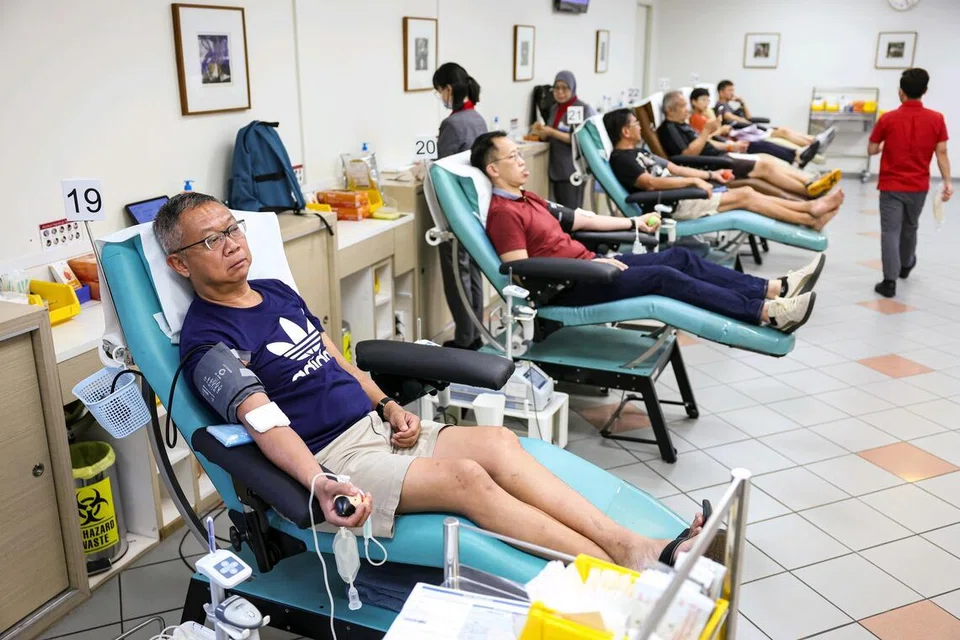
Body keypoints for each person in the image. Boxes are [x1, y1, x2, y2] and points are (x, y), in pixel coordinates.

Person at [155, 192, 716, 570]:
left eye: (232, 229)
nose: (232, 244)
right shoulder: (207, 342)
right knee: (468, 479)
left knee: (499, 442)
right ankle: (617, 571)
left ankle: (631, 545)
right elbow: (264, 422)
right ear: (180, 264)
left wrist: (387, 405)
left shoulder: (275, 291)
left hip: (374, 429)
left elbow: (337, 363)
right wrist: (320, 483)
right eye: (210, 240)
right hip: (332, 457)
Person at [473, 131, 824, 334]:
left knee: (680, 257)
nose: (521, 161)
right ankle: (766, 313)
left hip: (590, 267)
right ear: (493, 169)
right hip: (570, 285)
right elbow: (520, 271)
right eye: (513, 157)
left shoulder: (528, 197)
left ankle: (774, 288)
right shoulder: (503, 214)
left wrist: (634, 223)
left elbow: (580, 219)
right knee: (664, 277)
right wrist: (592, 267)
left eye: (520, 154)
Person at [605, 109, 842, 231]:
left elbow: (675, 167)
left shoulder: (640, 152)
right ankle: (808, 216)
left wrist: (710, 176)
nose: (641, 127)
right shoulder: (621, 159)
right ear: (625, 131)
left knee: (749, 191)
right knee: (747, 196)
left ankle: (809, 209)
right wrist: (692, 183)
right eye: (636, 124)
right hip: (672, 203)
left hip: (685, 194)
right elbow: (650, 183)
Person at [658, 91, 841, 198]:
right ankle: (808, 190)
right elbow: (687, 156)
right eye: (683, 106)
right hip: (712, 164)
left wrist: (729, 146)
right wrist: (706, 131)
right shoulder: (669, 129)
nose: (687, 110)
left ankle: (810, 180)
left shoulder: (683, 125)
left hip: (719, 155)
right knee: (765, 167)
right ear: (670, 110)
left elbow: (707, 143)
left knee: (767, 159)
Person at [868, 68, 952, 298]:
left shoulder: (887, 119)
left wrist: (884, 145)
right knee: (910, 226)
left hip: (891, 186)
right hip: (918, 186)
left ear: (901, 92)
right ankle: (906, 265)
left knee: (890, 231)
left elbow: (872, 149)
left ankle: (889, 282)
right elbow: (942, 153)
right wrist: (947, 182)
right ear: (925, 90)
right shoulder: (937, 119)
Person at [433, 62, 487, 349]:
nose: (440, 97)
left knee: (457, 273)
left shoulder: (452, 124)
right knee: (473, 268)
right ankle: (475, 331)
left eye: (439, 91)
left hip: (456, 209)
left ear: (448, 89)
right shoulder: (476, 117)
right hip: (475, 205)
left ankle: (465, 338)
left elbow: (441, 170)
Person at [531, 71, 596, 209]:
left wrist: (551, 132)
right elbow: (549, 134)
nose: (560, 92)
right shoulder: (555, 108)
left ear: (572, 88)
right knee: (560, 211)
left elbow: (578, 139)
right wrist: (541, 131)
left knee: (572, 211)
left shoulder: (580, 109)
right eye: (556, 88)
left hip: (573, 169)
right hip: (557, 168)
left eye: (564, 88)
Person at [714, 81, 835, 151]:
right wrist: (745, 121)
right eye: (729, 90)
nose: (732, 93)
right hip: (744, 132)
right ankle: (814, 146)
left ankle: (815, 140)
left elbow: (749, 117)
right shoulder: (721, 105)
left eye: (733, 90)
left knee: (784, 129)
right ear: (721, 92)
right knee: (783, 132)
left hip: (749, 128)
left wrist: (742, 103)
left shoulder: (729, 105)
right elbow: (728, 116)